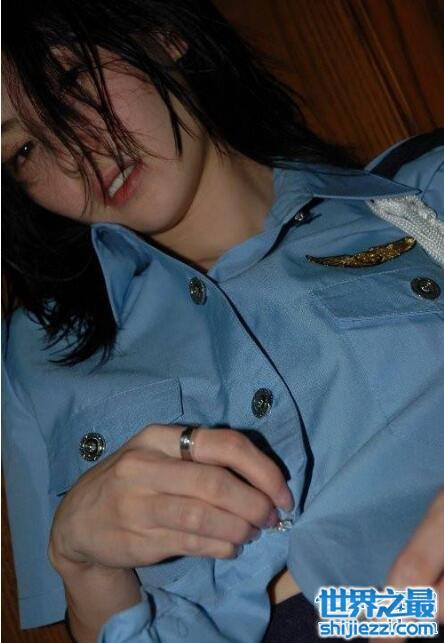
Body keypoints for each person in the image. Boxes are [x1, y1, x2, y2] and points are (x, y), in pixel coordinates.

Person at [2, 1, 443, 642]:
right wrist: (84, 566)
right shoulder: (33, 355)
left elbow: (381, 614)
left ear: (163, 32)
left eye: (69, 81)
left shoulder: (422, 190)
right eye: (24, 149)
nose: (75, 156)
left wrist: (400, 610)